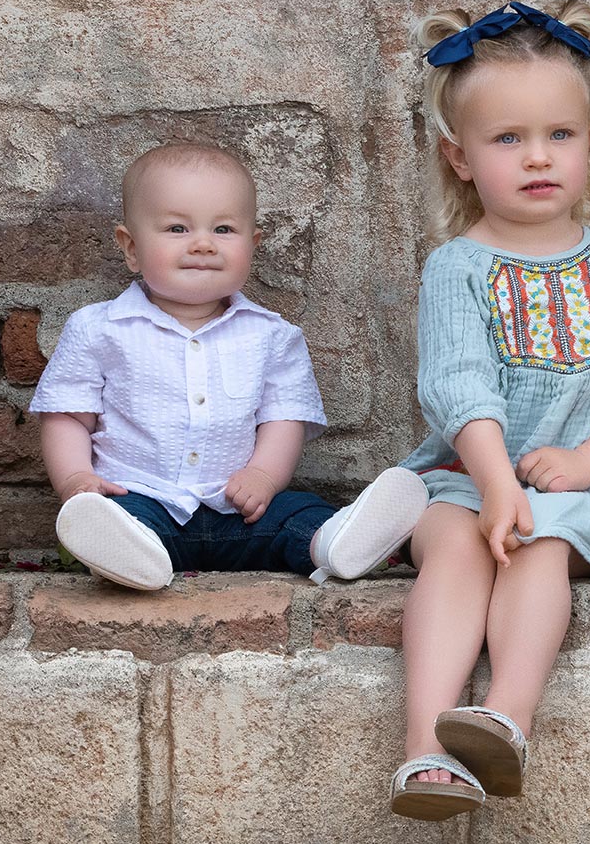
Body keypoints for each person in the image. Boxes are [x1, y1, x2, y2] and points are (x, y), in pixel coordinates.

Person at [389, 0, 590, 820]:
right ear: (459, 157)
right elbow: (458, 386)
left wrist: (584, 466)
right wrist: (493, 483)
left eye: (560, 134)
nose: (537, 157)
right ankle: (422, 747)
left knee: (542, 543)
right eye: (507, 139)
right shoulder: (459, 267)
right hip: (466, 478)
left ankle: (506, 721)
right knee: (452, 545)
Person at [30, 142, 428, 590]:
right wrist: (76, 480)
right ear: (131, 248)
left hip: (241, 513)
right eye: (177, 229)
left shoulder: (273, 336)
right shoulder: (98, 329)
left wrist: (263, 475)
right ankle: (130, 556)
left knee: (299, 512)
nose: (203, 244)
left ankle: (333, 542)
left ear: (251, 244)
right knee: (112, 518)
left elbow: (283, 421)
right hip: (141, 498)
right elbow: (67, 416)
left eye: (223, 229)